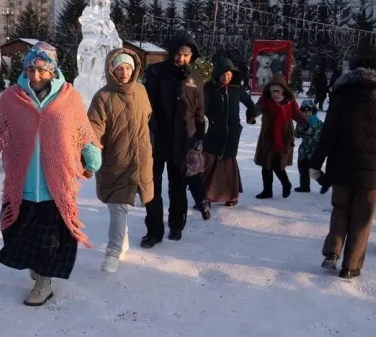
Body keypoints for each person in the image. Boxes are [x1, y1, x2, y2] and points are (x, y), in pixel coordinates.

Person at [0, 42, 102, 306]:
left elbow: (84, 131)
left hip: (57, 187)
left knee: (50, 240)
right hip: (23, 185)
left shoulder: (69, 97)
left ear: (53, 70)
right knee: (19, 233)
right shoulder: (12, 97)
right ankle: (38, 266)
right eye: (31, 69)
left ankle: (44, 283)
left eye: (42, 70)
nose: (36, 76)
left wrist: (92, 157)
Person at [308, 60, 376, 279]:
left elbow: (327, 137)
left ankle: (332, 253)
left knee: (340, 210)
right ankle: (351, 265)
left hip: (342, 168)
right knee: (363, 218)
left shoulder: (339, 102)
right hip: (373, 172)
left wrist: (315, 164)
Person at [86, 48, 153, 273]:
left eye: (127, 68)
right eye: (119, 68)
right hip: (114, 160)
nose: (123, 72)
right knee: (118, 206)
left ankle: (119, 245)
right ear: (111, 70)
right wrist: (90, 153)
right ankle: (114, 250)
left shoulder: (141, 92)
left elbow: (147, 117)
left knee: (122, 206)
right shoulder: (103, 96)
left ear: (133, 69)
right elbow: (93, 128)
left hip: (140, 157)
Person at [141, 33, 206, 247]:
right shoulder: (156, 72)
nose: (182, 58)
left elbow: (199, 111)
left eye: (186, 55)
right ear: (172, 52)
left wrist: (198, 138)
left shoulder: (195, 77)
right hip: (157, 139)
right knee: (153, 187)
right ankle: (154, 231)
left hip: (184, 141)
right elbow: (146, 107)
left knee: (178, 187)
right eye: (179, 53)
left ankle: (177, 225)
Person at [200, 56, 257, 209]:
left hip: (232, 132)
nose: (226, 77)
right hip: (213, 131)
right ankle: (205, 195)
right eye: (223, 74)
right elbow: (201, 107)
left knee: (228, 163)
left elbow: (249, 102)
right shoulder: (209, 88)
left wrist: (251, 115)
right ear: (217, 74)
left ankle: (232, 195)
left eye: (229, 73)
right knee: (210, 162)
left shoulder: (237, 88)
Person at [253, 73, 309, 199]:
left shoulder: (290, 102)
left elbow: (297, 114)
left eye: (277, 91)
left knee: (278, 165)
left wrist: (306, 123)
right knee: (266, 165)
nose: (275, 94)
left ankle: (286, 184)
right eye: (273, 91)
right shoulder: (266, 100)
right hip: (268, 136)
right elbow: (257, 108)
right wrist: (251, 115)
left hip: (284, 137)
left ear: (283, 90)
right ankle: (267, 190)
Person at [293, 99, 329, 194]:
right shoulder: (301, 122)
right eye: (304, 112)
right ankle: (304, 186)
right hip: (303, 150)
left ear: (313, 112)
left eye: (309, 112)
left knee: (312, 169)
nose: (307, 114)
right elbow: (296, 134)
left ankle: (324, 182)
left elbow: (324, 136)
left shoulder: (319, 123)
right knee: (302, 168)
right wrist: (300, 131)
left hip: (314, 150)